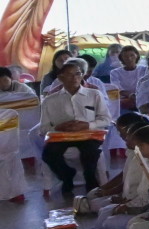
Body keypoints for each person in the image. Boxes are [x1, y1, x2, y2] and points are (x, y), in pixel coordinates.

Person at [40, 57, 109, 212]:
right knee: (49, 154)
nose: (75, 78)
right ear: (60, 78)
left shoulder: (94, 94)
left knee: (90, 152)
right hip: (61, 135)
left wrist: (87, 124)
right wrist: (59, 127)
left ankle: (91, 183)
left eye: (78, 74)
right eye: (70, 75)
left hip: (88, 134)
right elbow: (43, 128)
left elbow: (106, 119)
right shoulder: (50, 100)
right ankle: (67, 176)